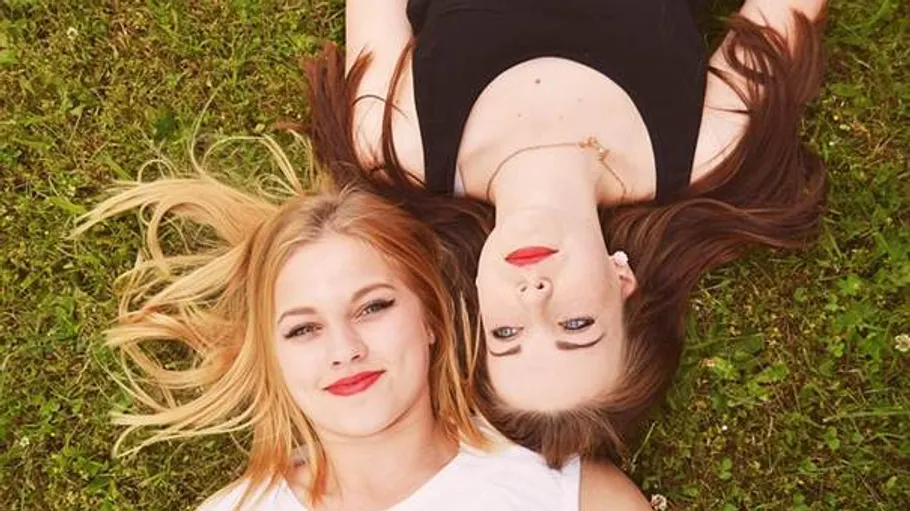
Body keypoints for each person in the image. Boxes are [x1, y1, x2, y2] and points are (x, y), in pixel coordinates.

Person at [291, 0, 830, 467]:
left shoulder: (393, 147)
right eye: (576, 324)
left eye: (507, 335)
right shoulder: (704, 151)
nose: (534, 298)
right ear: (624, 282)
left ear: (477, 305)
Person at [75, 138, 652, 510]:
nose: (345, 349)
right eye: (303, 329)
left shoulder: (570, 498)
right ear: (272, 355)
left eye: (372, 307)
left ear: (430, 317)